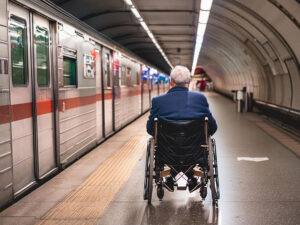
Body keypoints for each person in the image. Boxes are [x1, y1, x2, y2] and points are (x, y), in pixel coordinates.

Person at [146, 65, 217, 192]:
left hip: (167, 153)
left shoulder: (158, 101)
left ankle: (170, 177)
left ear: (171, 81)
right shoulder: (200, 99)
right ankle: (192, 178)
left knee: (169, 149)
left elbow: (150, 129)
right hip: (195, 153)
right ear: (188, 82)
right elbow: (212, 128)